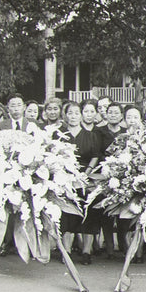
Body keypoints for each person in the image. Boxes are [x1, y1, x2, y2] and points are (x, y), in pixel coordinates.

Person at [55, 101, 104, 264]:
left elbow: (95, 156)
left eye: (77, 113)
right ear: (65, 115)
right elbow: (54, 156)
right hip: (66, 178)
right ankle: (66, 251)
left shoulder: (91, 135)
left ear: (81, 115)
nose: (74, 116)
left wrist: (86, 173)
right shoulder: (59, 135)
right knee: (68, 215)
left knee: (88, 213)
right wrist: (68, 175)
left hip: (86, 178)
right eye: (70, 113)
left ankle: (86, 252)